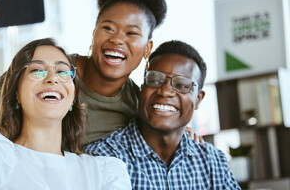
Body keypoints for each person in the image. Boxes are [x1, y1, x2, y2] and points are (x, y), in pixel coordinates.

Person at [0, 0, 132, 189]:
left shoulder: (104, 172)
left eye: (63, 71)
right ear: (16, 94)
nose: (52, 78)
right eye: (37, 70)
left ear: (73, 97)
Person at [0, 0, 172, 145]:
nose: (117, 39)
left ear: (147, 48)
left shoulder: (137, 106)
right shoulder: (39, 73)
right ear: (94, 33)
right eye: (108, 28)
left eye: (131, 33)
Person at [84, 40, 241, 189]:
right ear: (142, 88)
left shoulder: (213, 162)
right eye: (154, 80)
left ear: (198, 99)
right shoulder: (103, 157)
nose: (165, 91)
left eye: (181, 85)